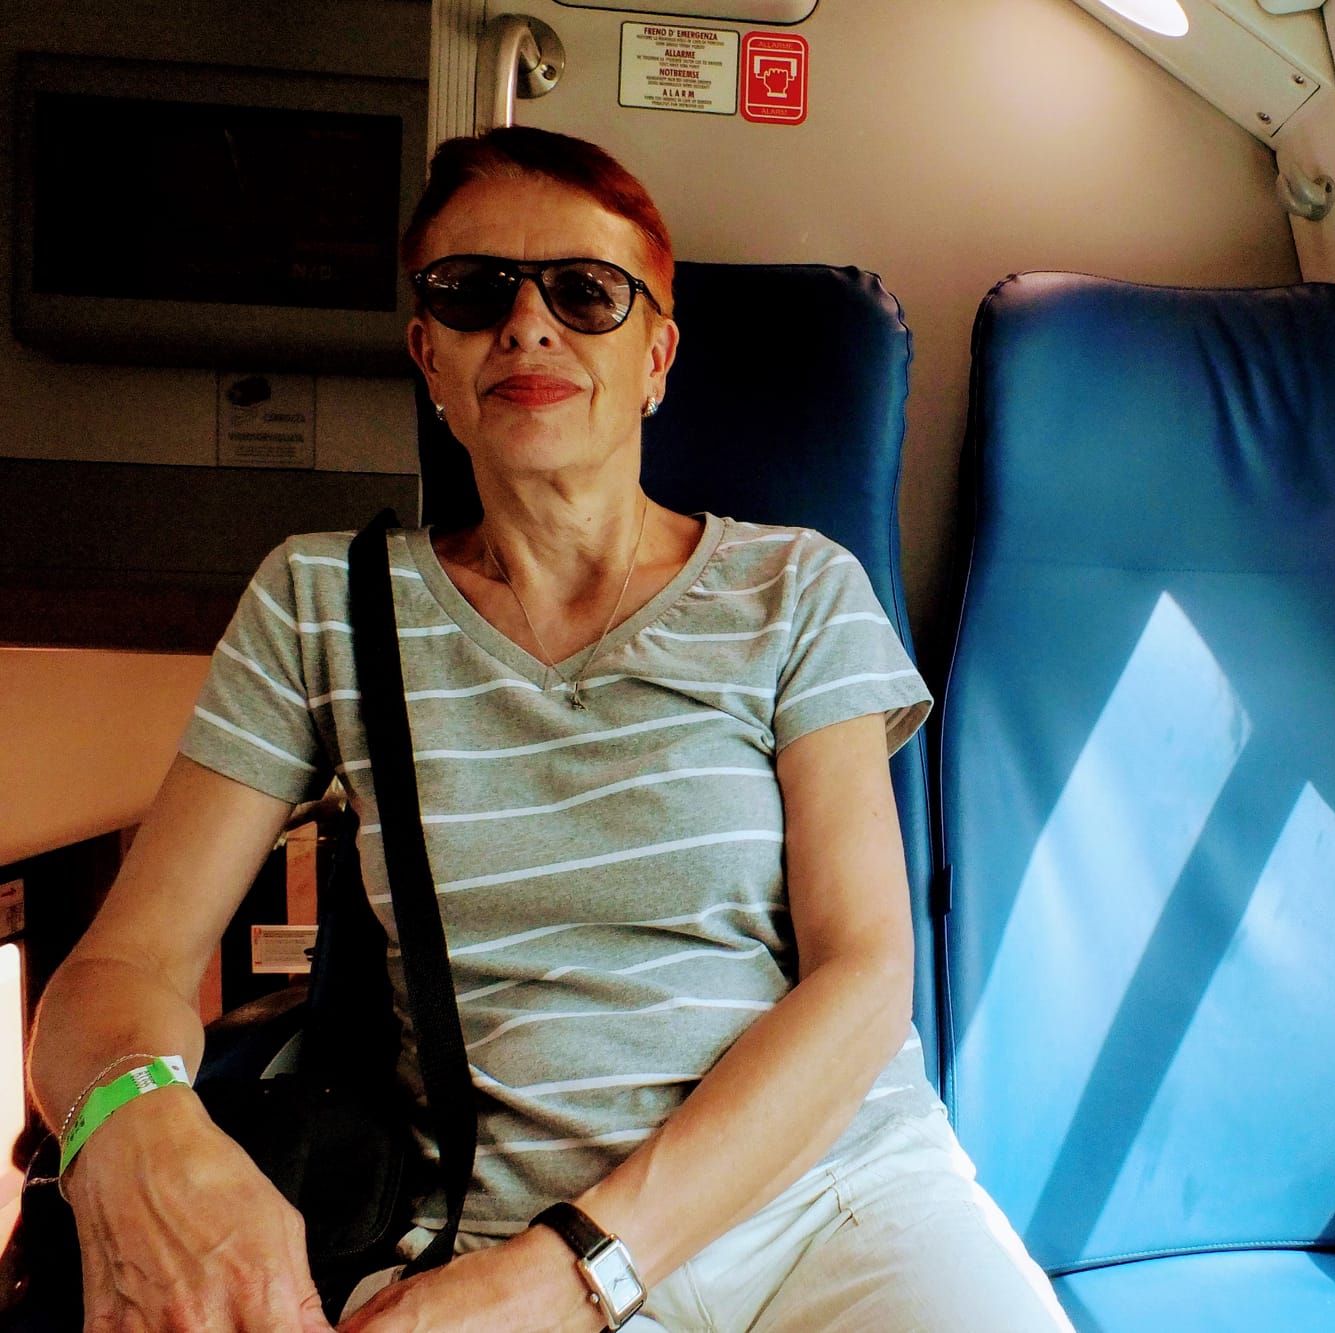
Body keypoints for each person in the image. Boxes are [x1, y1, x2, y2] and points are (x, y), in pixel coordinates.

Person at [27, 126, 1073, 1333]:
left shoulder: (795, 587)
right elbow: (119, 972)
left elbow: (865, 972)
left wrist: (578, 1265)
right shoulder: (319, 603)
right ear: (427, 353)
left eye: (584, 292)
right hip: (489, 1232)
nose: (528, 325)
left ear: (655, 357)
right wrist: (137, 1128)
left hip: (834, 1204)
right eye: (475, 292)